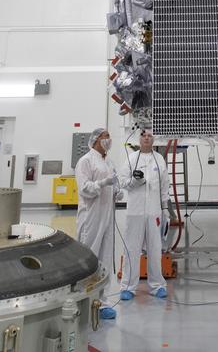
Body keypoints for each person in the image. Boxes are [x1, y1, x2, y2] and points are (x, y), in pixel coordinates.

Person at [73, 128, 120, 320]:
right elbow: (84, 189)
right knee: (89, 256)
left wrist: (116, 191)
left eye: (109, 136)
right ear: (95, 140)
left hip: (107, 215)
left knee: (105, 257)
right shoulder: (85, 161)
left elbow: (113, 184)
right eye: (104, 136)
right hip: (91, 216)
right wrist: (102, 183)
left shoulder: (109, 161)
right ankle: (83, 300)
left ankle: (102, 302)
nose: (108, 139)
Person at [119, 129, 171, 301]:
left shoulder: (159, 159)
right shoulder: (132, 159)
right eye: (143, 135)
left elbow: (164, 185)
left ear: (154, 139)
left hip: (154, 211)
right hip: (135, 211)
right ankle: (128, 287)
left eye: (149, 135)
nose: (147, 138)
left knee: (155, 248)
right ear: (139, 139)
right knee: (132, 248)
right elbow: (123, 182)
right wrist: (136, 182)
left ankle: (157, 285)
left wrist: (165, 208)